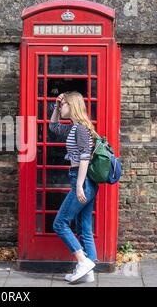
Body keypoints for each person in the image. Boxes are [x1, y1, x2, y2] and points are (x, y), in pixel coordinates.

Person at [49, 91, 99, 284]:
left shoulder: (80, 129)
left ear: (72, 106)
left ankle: (82, 262)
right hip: (83, 180)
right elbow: (53, 127)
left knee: (60, 224)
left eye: (63, 105)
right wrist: (55, 104)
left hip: (82, 180)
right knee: (84, 227)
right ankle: (89, 271)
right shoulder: (73, 128)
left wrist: (79, 186)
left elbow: (85, 157)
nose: (61, 108)